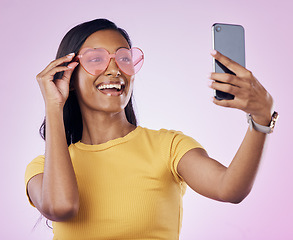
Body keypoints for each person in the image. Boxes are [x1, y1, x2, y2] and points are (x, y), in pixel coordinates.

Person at [25, 18, 277, 240]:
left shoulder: (169, 146)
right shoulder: (42, 169)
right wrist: (53, 105)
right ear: (66, 75)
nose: (114, 70)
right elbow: (60, 207)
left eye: (124, 58)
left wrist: (262, 117)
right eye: (96, 59)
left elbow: (229, 188)